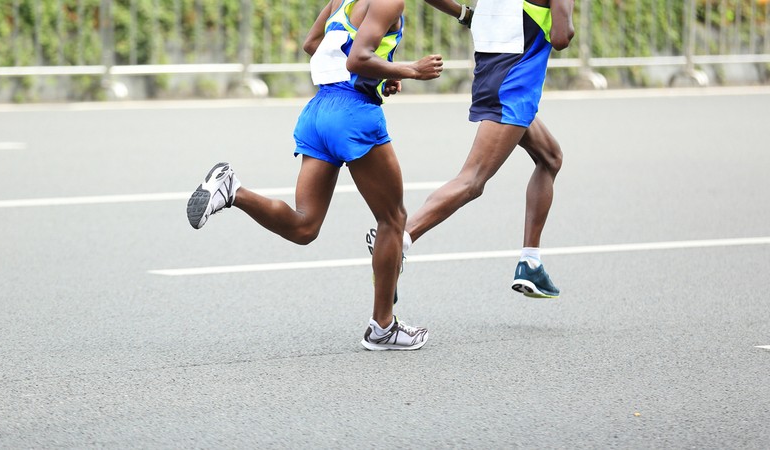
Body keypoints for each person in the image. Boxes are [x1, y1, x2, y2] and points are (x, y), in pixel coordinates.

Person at [186, 0, 444, 350]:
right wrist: (409, 70)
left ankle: (234, 190)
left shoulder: (341, 1)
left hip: (319, 110)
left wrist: (381, 77)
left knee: (304, 226)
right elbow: (357, 60)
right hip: (352, 114)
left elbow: (314, 45)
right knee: (393, 219)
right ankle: (382, 327)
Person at [367, 0, 574, 298]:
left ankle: (530, 262)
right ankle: (398, 238)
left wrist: (464, 14)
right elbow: (561, 37)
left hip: (494, 76)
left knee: (551, 157)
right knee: (472, 180)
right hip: (513, 86)